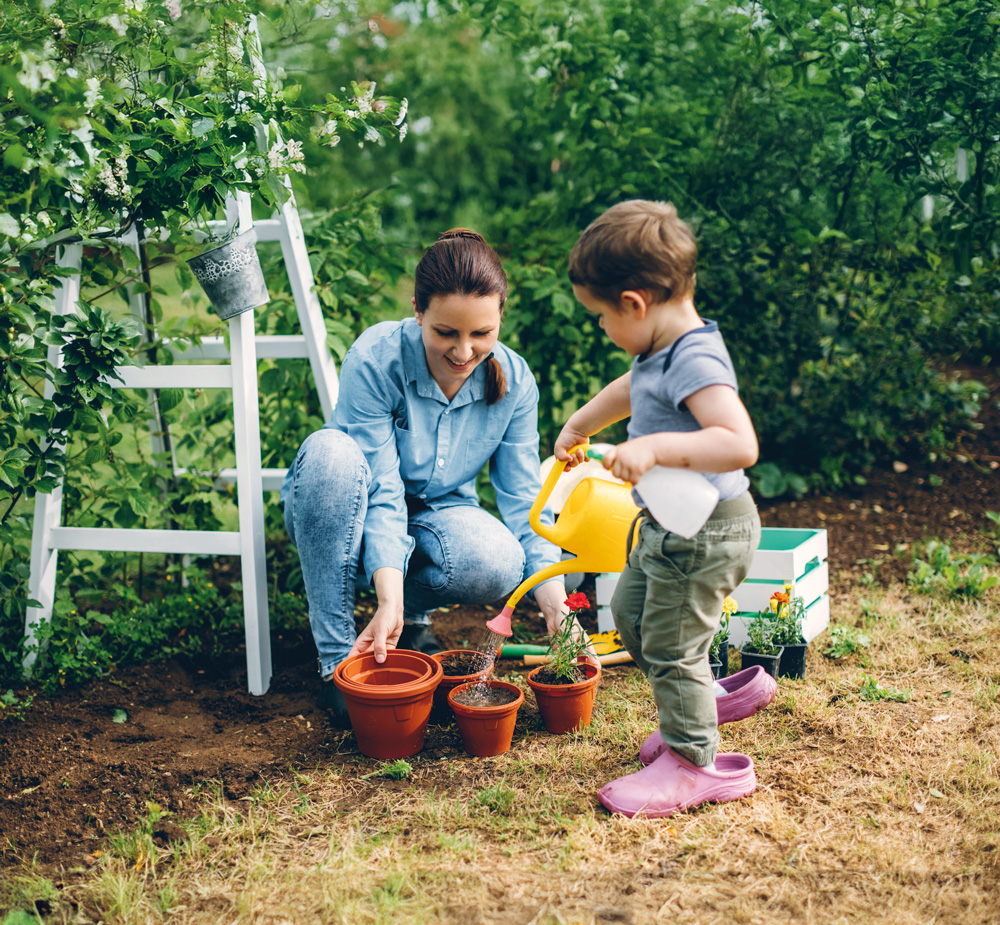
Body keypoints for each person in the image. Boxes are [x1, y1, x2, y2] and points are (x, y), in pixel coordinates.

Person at [282, 229, 573, 725]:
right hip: (347, 510)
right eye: (446, 333)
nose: (463, 352)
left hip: (437, 517)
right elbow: (383, 494)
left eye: (481, 334)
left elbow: (526, 498)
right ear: (417, 310)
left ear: (501, 314)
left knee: (499, 561)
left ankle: (407, 620)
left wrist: (556, 607)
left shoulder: (516, 381)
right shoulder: (377, 360)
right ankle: (338, 663)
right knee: (330, 453)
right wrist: (386, 593)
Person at [554, 200, 775, 818]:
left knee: (672, 645)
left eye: (600, 316)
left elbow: (738, 442)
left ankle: (694, 762)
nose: (602, 328)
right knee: (630, 618)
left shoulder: (696, 358)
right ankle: (701, 696)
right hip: (668, 528)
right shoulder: (658, 349)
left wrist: (651, 448)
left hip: (708, 531)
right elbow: (632, 389)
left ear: (634, 302)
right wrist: (580, 424)